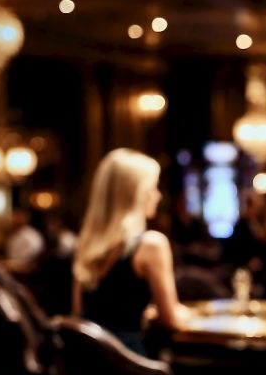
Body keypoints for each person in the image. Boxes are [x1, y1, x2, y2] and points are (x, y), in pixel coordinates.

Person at [72, 148, 191, 356]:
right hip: (131, 368)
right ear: (137, 193)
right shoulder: (151, 244)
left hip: (87, 366)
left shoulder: (86, 245)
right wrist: (185, 313)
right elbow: (170, 319)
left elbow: (80, 312)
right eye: (153, 188)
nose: (158, 196)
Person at [5, 207, 45, 274]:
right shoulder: (13, 235)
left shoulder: (31, 235)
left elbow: (32, 260)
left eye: (17, 216)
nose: (13, 219)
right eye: (13, 216)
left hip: (27, 274)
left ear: (26, 218)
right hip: (13, 271)